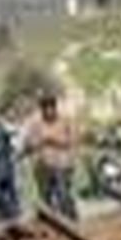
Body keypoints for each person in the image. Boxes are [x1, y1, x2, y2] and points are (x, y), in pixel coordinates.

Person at [25, 91, 79, 220]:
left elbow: (72, 140)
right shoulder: (35, 124)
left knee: (63, 194)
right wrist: (39, 142)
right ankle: (50, 223)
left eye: (51, 107)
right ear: (42, 109)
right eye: (45, 108)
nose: (49, 111)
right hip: (42, 165)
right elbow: (30, 143)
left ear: (55, 107)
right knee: (45, 196)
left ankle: (70, 219)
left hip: (62, 164)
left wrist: (53, 140)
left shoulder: (65, 121)